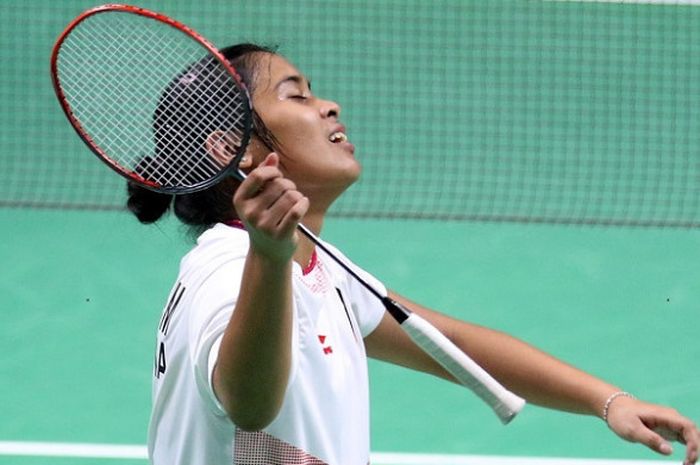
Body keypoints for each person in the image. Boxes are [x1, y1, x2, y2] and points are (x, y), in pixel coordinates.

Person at [127, 43, 699, 465]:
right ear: (236, 151)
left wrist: (609, 401)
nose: (329, 105)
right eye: (296, 94)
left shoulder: (318, 264)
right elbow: (248, 402)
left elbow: (454, 345)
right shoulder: (228, 273)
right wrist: (269, 260)